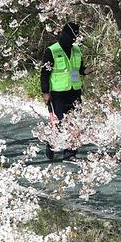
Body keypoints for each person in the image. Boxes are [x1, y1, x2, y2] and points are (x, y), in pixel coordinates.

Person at [40, 22, 87, 160]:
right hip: (58, 93)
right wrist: (45, 92)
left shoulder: (77, 50)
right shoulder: (52, 50)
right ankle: (51, 142)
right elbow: (44, 73)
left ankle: (70, 153)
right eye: (72, 36)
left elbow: (77, 69)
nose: (73, 39)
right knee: (62, 121)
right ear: (65, 34)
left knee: (75, 121)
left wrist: (85, 71)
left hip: (74, 91)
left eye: (75, 37)